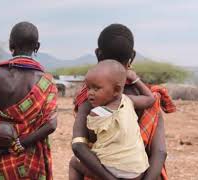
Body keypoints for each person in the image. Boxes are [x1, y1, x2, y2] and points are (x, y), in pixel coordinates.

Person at [70, 24, 176, 180]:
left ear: (98, 54)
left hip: (100, 174)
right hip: (143, 174)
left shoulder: (89, 98)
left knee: (75, 164)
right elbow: (160, 152)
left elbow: (79, 146)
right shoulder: (147, 97)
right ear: (132, 56)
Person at [0, 22, 58, 180]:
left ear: (10, 44)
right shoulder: (47, 81)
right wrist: (23, 143)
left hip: (1, 156)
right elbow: (51, 124)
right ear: (37, 46)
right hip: (32, 158)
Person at [70, 60, 155, 180]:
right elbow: (150, 98)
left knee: (74, 163)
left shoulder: (96, 113)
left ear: (116, 90)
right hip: (137, 171)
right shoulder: (128, 101)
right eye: (88, 88)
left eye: (96, 88)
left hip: (112, 169)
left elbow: (92, 141)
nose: (90, 93)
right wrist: (135, 79)